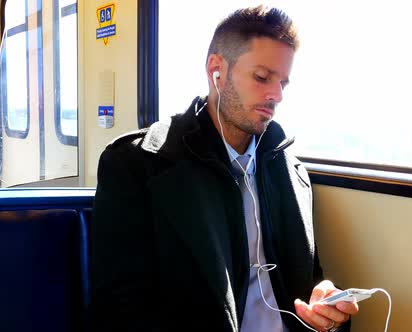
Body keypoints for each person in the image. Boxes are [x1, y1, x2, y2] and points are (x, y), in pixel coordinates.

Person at [89, 5, 359, 332]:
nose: (276, 95)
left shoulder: (286, 166)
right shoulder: (138, 165)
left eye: (283, 84)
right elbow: (121, 310)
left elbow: (307, 279)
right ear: (217, 70)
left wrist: (322, 305)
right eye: (261, 77)